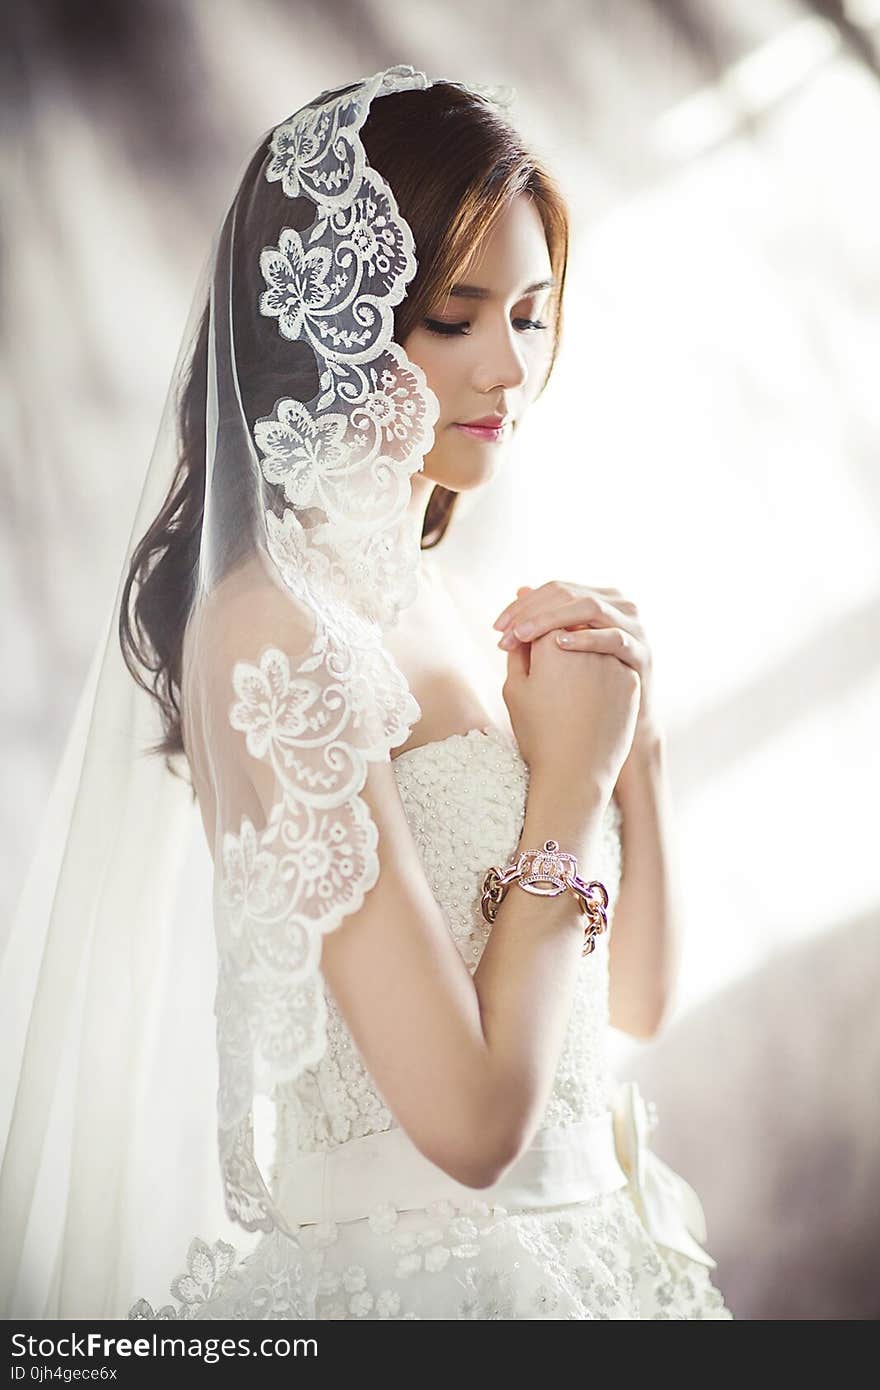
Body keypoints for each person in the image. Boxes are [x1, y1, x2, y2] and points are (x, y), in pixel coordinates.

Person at [0, 64, 733, 1320]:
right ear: (329, 324)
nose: (509, 368)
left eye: (534, 313)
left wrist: (632, 738)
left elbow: (632, 1003)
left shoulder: (437, 593)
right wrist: (564, 777)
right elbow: (469, 1122)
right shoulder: (267, 627)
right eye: (457, 316)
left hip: (599, 1259)